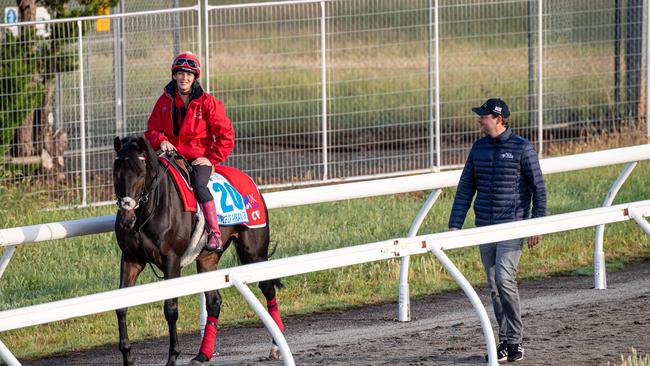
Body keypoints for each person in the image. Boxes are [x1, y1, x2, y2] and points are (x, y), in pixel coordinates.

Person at [448, 98, 546, 362]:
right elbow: (465, 188)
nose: (480, 119)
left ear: (499, 119)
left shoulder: (523, 148)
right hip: (484, 226)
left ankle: (516, 340)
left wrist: (536, 224)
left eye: (484, 116)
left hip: (513, 225)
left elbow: (539, 188)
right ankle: (503, 340)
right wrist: (455, 224)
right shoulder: (478, 148)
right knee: (493, 286)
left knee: (504, 279)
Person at [145, 51, 235, 253]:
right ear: (174, 75)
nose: (184, 77)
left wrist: (211, 160)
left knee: (199, 185)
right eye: (180, 73)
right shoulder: (164, 101)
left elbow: (226, 135)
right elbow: (151, 130)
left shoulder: (208, 103)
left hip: (197, 160)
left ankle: (214, 233)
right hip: (170, 156)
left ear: (195, 77)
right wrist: (161, 140)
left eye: (189, 74)